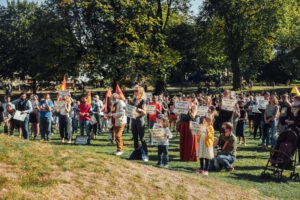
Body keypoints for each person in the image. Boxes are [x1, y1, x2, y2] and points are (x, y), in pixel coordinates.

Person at [130, 85, 148, 161]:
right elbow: (130, 109)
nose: (135, 92)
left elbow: (144, 112)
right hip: (133, 120)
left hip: (140, 120)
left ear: (140, 92)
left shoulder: (143, 100)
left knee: (142, 138)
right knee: (135, 138)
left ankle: (145, 155)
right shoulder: (133, 100)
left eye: (136, 90)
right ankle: (136, 154)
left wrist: (140, 111)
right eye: (134, 90)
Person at [285, 95, 300, 165]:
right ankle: (289, 160)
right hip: (293, 130)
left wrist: (295, 113)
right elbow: (292, 117)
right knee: (292, 146)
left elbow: (297, 121)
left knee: (299, 147)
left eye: (296, 100)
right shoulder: (294, 108)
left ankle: (299, 162)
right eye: (294, 100)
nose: (295, 101)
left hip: (298, 130)